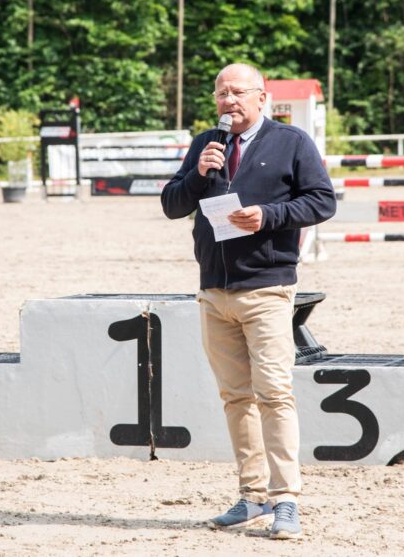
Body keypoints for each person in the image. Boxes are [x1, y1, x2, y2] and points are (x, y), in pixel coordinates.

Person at [161, 63, 336, 539]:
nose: (228, 101)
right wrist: (198, 175)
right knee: (235, 397)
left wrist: (269, 215)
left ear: (262, 96)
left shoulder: (292, 141)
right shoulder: (206, 143)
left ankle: (286, 500)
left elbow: (323, 201)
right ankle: (252, 494)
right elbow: (172, 204)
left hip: (267, 289)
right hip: (214, 292)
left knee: (274, 394)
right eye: (221, 93)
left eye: (238, 92)